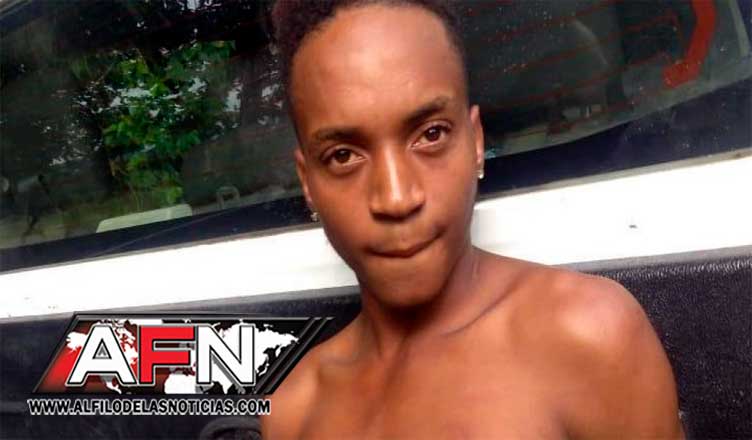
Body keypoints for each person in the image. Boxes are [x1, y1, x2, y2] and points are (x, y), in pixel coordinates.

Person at [261, 1, 684, 438]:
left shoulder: (586, 335)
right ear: (308, 182)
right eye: (343, 156)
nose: (396, 197)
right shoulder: (294, 410)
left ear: (476, 142)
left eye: (431, 134)